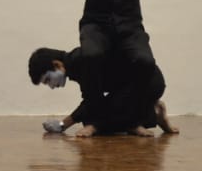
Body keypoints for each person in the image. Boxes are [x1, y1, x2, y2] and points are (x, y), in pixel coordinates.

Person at [28, 46, 177, 137]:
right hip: (131, 88)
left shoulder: (82, 61)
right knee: (91, 116)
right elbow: (92, 98)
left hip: (150, 84)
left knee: (96, 119)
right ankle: (141, 119)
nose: (51, 86)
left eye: (48, 80)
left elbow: (92, 101)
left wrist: (62, 125)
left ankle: (153, 113)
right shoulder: (76, 62)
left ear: (57, 65)